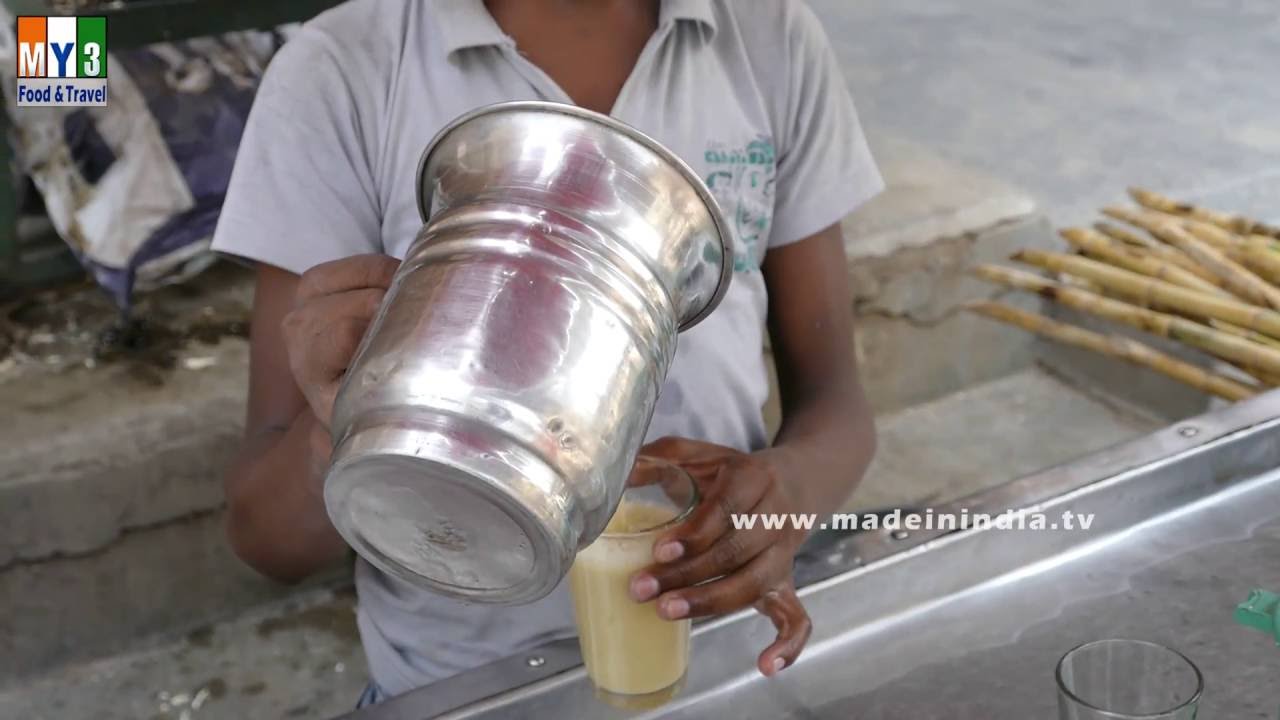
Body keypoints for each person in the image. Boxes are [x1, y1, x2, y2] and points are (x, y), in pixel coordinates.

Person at [212, 0, 881, 706]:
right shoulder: (346, 68)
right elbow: (265, 539)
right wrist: (347, 426)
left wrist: (785, 500)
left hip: (714, 660)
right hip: (462, 689)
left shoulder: (768, 37)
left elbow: (839, 414)